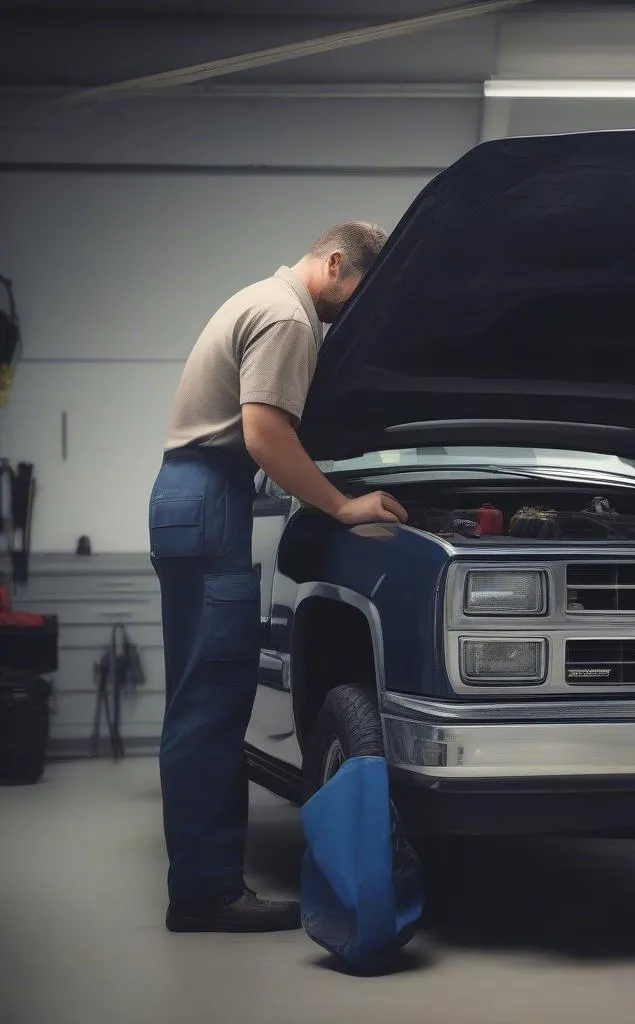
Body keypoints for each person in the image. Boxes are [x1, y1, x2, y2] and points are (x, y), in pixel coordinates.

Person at [149, 223, 408, 933]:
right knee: (211, 705)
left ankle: (201, 884)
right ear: (333, 263)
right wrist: (342, 503)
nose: (351, 316)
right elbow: (264, 433)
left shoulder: (261, 299)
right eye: (357, 297)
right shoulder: (290, 316)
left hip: (193, 496)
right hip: (213, 495)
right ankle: (206, 895)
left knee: (198, 700)